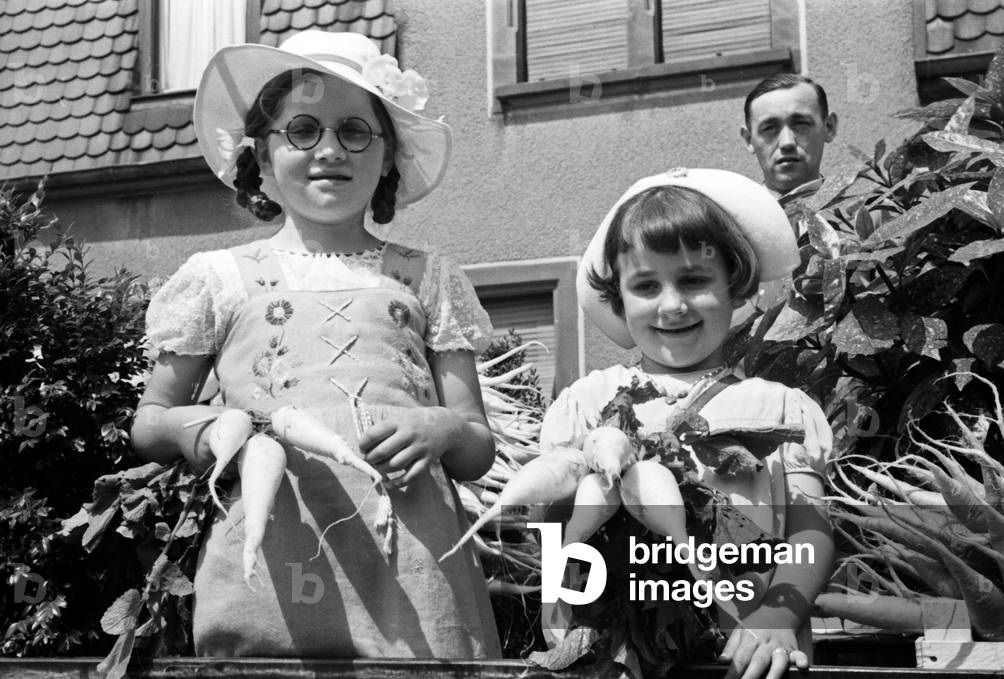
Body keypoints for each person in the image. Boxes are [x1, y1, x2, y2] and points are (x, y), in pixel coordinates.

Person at [130, 30, 501, 659]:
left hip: (414, 576)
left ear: (388, 156)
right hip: (269, 566)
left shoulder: (426, 276)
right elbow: (150, 422)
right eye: (301, 129)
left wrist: (442, 426)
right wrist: (217, 430)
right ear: (262, 158)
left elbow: (475, 443)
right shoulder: (218, 277)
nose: (329, 148)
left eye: (355, 130)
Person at [551, 168, 834, 679]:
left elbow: (811, 530)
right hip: (618, 655)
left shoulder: (779, 409)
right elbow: (555, 526)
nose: (672, 304)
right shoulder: (588, 403)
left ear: (735, 285)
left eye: (694, 280)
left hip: (749, 654)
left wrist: (779, 614)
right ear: (619, 296)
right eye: (645, 285)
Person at [740, 74, 838, 221]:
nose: (787, 143)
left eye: (801, 124)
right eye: (769, 128)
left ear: (829, 127)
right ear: (749, 139)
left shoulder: (862, 221)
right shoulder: (733, 227)